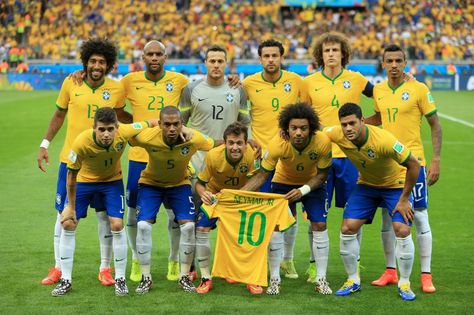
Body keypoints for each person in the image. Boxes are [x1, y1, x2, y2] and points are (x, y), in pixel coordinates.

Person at [38, 38, 130, 287]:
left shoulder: (117, 88)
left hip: (103, 166)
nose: (96, 65)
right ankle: (58, 268)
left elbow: (123, 118)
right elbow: (59, 114)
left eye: (102, 61)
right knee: (63, 216)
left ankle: (105, 269)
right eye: (92, 61)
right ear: (85, 63)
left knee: (105, 218)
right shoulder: (71, 82)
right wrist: (44, 144)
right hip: (71, 161)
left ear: (109, 64)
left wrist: (157, 125)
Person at [51, 108, 153, 297]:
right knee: (68, 223)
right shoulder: (81, 142)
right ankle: (66, 280)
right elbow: (71, 177)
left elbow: (151, 123)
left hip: (111, 183)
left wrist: (181, 130)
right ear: (94, 128)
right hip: (83, 182)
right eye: (102, 129)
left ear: (117, 127)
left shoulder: (125, 131)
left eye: (110, 129)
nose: (106, 134)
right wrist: (70, 207)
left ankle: (120, 280)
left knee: (117, 224)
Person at [325, 103, 420, 301]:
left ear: (362, 121)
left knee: (401, 230)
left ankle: (404, 283)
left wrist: (404, 199)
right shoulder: (337, 134)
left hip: (395, 185)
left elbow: (414, 164)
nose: (348, 128)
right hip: (367, 185)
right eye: (344, 124)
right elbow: (317, 135)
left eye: (352, 123)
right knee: (348, 228)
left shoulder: (384, 140)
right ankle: (353, 280)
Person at [366, 44, 442, 293]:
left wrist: (436, 160)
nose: (395, 65)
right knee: (388, 218)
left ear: (405, 62)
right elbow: (380, 117)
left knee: (419, 217)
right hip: (386, 163)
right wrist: (359, 123)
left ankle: (426, 275)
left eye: (399, 60)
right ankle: (390, 271)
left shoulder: (419, 88)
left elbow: (435, 125)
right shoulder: (378, 90)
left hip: (414, 162)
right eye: (390, 60)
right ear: (383, 63)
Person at [301, 31, 374, 283]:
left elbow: (383, 98)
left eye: (335, 50)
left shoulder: (356, 79)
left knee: (354, 214)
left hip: (351, 158)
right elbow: (302, 117)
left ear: (343, 53)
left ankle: (355, 262)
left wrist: (369, 125)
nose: (331, 54)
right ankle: (313, 264)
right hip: (320, 156)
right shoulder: (309, 82)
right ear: (320, 55)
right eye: (326, 50)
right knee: (315, 215)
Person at [241, 103, 332, 295]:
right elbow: (261, 176)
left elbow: (322, 175)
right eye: (294, 128)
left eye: (303, 128)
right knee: (276, 227)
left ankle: (321, 280)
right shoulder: (277, 143)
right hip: (282, 184)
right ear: (286, 129)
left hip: (311, 185)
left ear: (312, 128)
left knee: (320, 225)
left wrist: (303, 190)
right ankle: (275, 279)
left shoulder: (323, 142)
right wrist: (239, 194)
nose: (298, 133)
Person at [129, 106, 217, 294]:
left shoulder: (193, 138)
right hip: (150, 184)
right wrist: (148, 122)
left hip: (179, 184)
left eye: (176, 124)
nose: (171, 129)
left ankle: (184, 277)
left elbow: (213, 143)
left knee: (188, 227)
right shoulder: (148, 136)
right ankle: (146, 278)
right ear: (160, 125)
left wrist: (190, 130)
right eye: (166, 124)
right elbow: (127, 136)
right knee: (143, 226)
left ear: (181, 124)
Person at [243, 39, 304, 280]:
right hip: (261, 160)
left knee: (290, 210)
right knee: (263, 211)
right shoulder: (248, 83)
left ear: (281, 57)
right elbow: (238, 112)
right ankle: (261, 260)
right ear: (260, 59)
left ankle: (287, 260)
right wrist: (248, 138)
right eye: (266, 56)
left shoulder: (296, 81)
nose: (270, 60)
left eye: (274, 55)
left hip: (289, 156)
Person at [194, 122, 260, 294]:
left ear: (246, 144)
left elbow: (257, 182)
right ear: (224, 143)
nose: (235, 147)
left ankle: (249, 277)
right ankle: (206, 278)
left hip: (241, 199)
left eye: (239, 143)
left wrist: (242, 198)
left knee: (250, 234)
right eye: (231, 143)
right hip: (216, 197)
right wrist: (203, 194)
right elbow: (199, 184)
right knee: (201, 229)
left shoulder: (252, 156)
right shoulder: (213, 156)